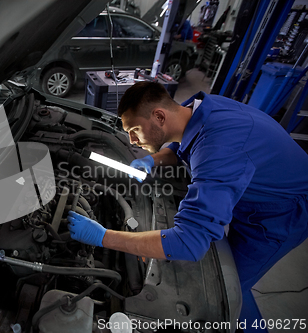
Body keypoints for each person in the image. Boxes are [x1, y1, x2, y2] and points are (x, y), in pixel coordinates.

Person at [67, 81, 308, 332]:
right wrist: (154, 159)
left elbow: (189, 242)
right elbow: (183, 139)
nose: (132, 140)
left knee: (228, 292)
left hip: (280, 214)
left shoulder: (218, 149)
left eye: (135, 130)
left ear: (159, 116)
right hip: (256, 185)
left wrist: (103, 236)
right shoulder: (199, 108)